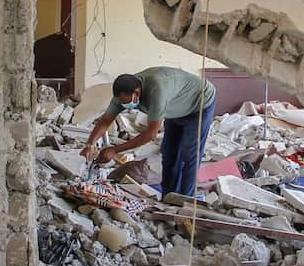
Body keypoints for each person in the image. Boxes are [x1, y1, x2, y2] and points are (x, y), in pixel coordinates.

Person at [81, 67, 217, 198]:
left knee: (190, 153)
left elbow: (150, 134)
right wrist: (89, 144)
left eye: (126, 102)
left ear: (137, 92)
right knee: (169, 152)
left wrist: (115, 150)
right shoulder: (121, 97)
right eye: (121, 102)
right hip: (175, 106)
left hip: (199, 102)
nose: (123, 105)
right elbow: (105, 121)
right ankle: (169, 196)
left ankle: (185, 200)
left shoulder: (157, 91)